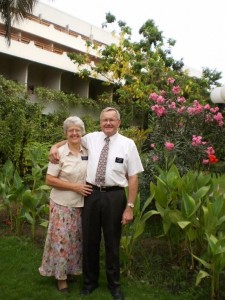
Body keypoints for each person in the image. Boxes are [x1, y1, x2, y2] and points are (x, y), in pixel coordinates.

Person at [49, 107, 144, 300]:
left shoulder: (128, 144)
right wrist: (54, 147)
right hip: (91, 194)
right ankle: (89, 283)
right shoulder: (91, 137)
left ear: (119, 122)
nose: (108, 123)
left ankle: (114, 286)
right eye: (104, 120)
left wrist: (130, 207)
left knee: (112, 242)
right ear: (100, 122)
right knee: (90, 241)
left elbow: (133, 177)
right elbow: (71, 137)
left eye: (112, 120)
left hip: (115, 197)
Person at [39, 116, 93, 292]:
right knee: (61, 241)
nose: (75, 133)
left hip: (81, 205)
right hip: (61, 204)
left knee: (75, 241)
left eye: (78, 130)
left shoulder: (87, 150)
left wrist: (56, 143)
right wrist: (75, 187)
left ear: (82, 132)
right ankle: (60, 277)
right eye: (71, 130)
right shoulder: (58, 154)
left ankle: (69, 271)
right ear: (65, 133)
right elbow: (49, 179)